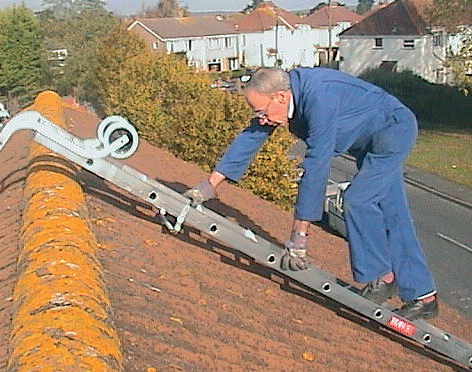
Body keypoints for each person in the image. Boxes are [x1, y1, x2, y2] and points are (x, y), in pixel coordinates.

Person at [184, 67, 438, 320]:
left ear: (281, 97)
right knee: (393, 213)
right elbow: (252, 137)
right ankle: (424, 296)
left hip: (392, 132)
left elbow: (317, 165)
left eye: (261, 112)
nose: (261, 118)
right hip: (371, 140)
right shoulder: (283, 97)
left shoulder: (320, 99)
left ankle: (383, 277)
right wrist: (209, 186)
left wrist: (299, 236)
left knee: (357, 199)